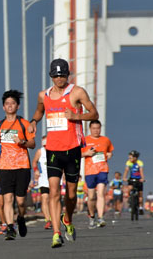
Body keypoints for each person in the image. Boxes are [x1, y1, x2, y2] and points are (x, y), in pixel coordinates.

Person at [28, 58, 99, 248]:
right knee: (53, 192)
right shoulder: (44, 95)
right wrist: (34, 122)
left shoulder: (77, 92)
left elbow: (94, 114)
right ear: (51, 76)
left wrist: (77, 116)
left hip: (72, 149)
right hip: (52, 149)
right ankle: (56, 233)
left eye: (63, 75)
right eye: (56, 76)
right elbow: (39, 111)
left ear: (68, 75)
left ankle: (67, 219)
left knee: (72, 194)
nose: (59, 79)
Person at [0, 90, 35, 240]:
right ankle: (10, 228)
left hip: (22, 166)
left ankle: (21, 218)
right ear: (3, 107)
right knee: (7, 199)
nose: (10, 106)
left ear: (18, 106)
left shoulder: (24, 124)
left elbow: (33, 144)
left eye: (13, 103)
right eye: (7, 104)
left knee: (21, 201)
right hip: (5, 167)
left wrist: (22, 142)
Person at [82, 120, 113, 228]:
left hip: (103, 169)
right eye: (94, 128)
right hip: (90, 171)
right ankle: (91, 216)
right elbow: (77, 154)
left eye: (98, 128)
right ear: (90, 129)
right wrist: (87, 153)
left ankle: (100, 218)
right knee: (91, 197)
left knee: (101, 194)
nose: (96, 130)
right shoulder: (85, 140)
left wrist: (110, 155)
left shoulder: (105, 140)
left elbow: (110, 151)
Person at [32, 136, 52, 230]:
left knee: (54, 199)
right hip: (44, 178)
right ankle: (48, 220)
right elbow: (34, 162)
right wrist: (36, 170)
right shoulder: (40, 151)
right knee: (45, 198)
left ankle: (54, 217)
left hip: (54, 178)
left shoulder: (55, 150)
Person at [123, 150, 145, 215]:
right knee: (129, 188)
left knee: (140, 194)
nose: (129, 159)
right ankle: (130, 200)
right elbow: (126, 170)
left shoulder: (139, 162)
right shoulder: (128, 162)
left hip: (139, 179)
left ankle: (140, 207)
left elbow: (141, 171)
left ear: (135, 157)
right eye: (129, 158)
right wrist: (124, 177)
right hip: (132, 178)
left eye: (131, 158)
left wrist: (142, 178)